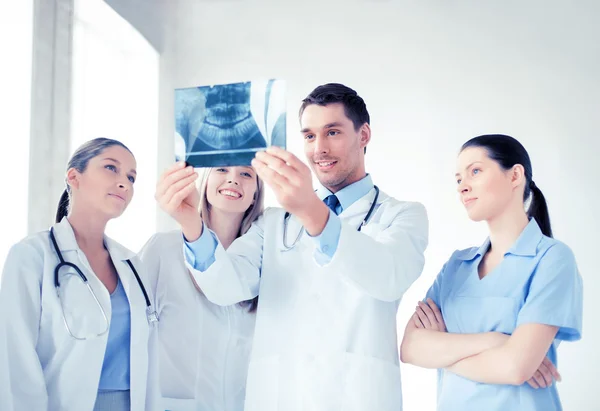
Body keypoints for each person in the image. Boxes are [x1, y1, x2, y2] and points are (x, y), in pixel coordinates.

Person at [158, 83, 429, 410]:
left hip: (356, 398)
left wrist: (311, 211)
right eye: (310, 136)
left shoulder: (403, 215)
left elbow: (388, 277)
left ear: (364, 134)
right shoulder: (274, 223)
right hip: (279, 398)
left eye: (333, 132)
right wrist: (190, 223)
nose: (319, 149)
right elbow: (225, 286)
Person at [400, 134, 583, 410]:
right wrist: (496, 341)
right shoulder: (456, 266)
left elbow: (514, 367)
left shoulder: (551, 259)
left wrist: (442, 350)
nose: (463, 186)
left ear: (514, 176)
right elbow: (411, 349)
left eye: (475, 171)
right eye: (458, 179)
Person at [0, 138, 159, 411]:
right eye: (111, 168)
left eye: (131, 177)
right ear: (74, 176)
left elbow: (149, 359)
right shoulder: (32, 256)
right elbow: (15, 360)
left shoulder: (132, 263)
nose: (125, 183)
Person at [139, 165, 264, 411]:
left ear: (255, 197)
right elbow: (132, 333)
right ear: (205, 183)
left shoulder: (264, 260)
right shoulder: (163, 250)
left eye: (246, 174)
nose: (233, 179)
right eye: (222, 169)